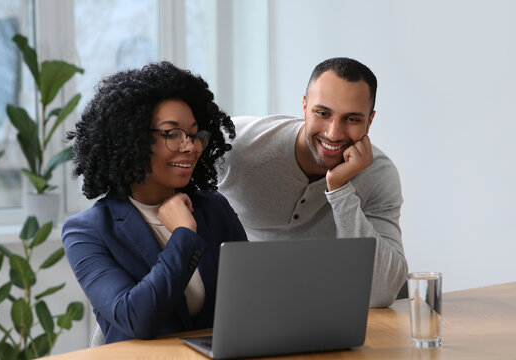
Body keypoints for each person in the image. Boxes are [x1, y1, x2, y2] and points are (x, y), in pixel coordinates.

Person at [62, 61, 247, 344]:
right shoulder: (87, 231)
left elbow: (252, 297)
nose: (191, 146)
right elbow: (137, 318)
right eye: (172, 134)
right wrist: (183, 236)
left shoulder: (214, 209)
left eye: (195, 134)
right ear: (131, 139)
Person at [217, 57, 407, 307]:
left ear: (369, 121)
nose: (333, 133)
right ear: (304, 106)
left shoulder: (378, 174)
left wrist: (340, 190)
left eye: (352, 119)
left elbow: (381, 292)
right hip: (248, 305)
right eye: (323, 113)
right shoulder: (236, 144)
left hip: (329, 312)